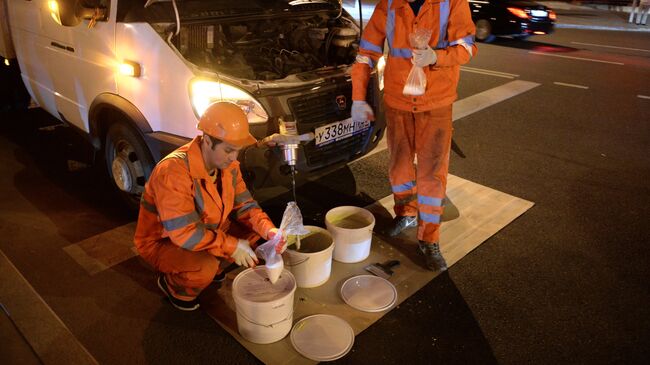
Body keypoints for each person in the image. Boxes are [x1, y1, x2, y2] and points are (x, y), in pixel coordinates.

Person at [351, 0, 477, 271]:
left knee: (432, 176)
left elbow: (467, 48)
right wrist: (358, 98)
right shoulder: (389, 4)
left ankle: (429, 239)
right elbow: (366, 54)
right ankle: (406, 213)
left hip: (436, 103)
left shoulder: (452, 2)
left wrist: (436, 57)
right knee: (399, 169)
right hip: (398, 102)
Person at [134, 101, 283, 311]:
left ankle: (213, 263)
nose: (234, 158)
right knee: (204, 267)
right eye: (229, 150)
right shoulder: (173, 172)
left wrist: (269, 231)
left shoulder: (229, 166)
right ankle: (174, 287)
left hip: (209, 229)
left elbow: (246, 206)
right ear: (206, 140)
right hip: (164, 242)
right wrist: (231, 246)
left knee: (254, 235)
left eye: (237, 151)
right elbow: (184, 234)